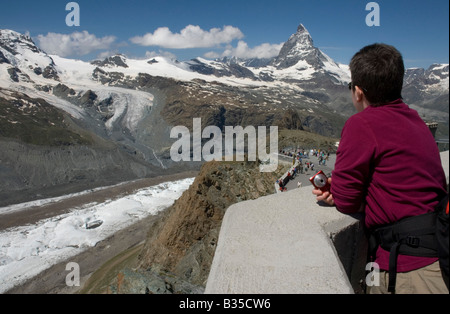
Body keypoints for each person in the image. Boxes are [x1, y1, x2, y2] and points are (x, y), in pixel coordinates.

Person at [312, 43, 448, 294]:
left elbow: (347, 201)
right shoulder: (416, 120)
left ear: (358, 92)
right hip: (439, 250)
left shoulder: (361, 125)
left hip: (409, 269)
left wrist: (337, 193)